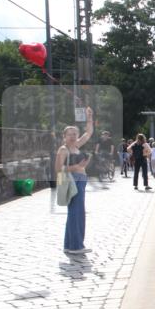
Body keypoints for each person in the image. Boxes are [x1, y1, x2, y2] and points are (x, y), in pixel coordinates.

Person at [55, 107, 94, 254]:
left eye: (75, 134)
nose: (73, 136)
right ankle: (76, 246)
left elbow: (88, 133)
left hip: (80, 180)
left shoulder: (76, 146)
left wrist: (89, 118)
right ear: (64, 136)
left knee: (76, 212)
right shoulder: (63, 149)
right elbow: (58, 169)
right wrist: (77, 167)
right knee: (76, 213)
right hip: (72, 181)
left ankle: (69, 245)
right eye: (70, 134)